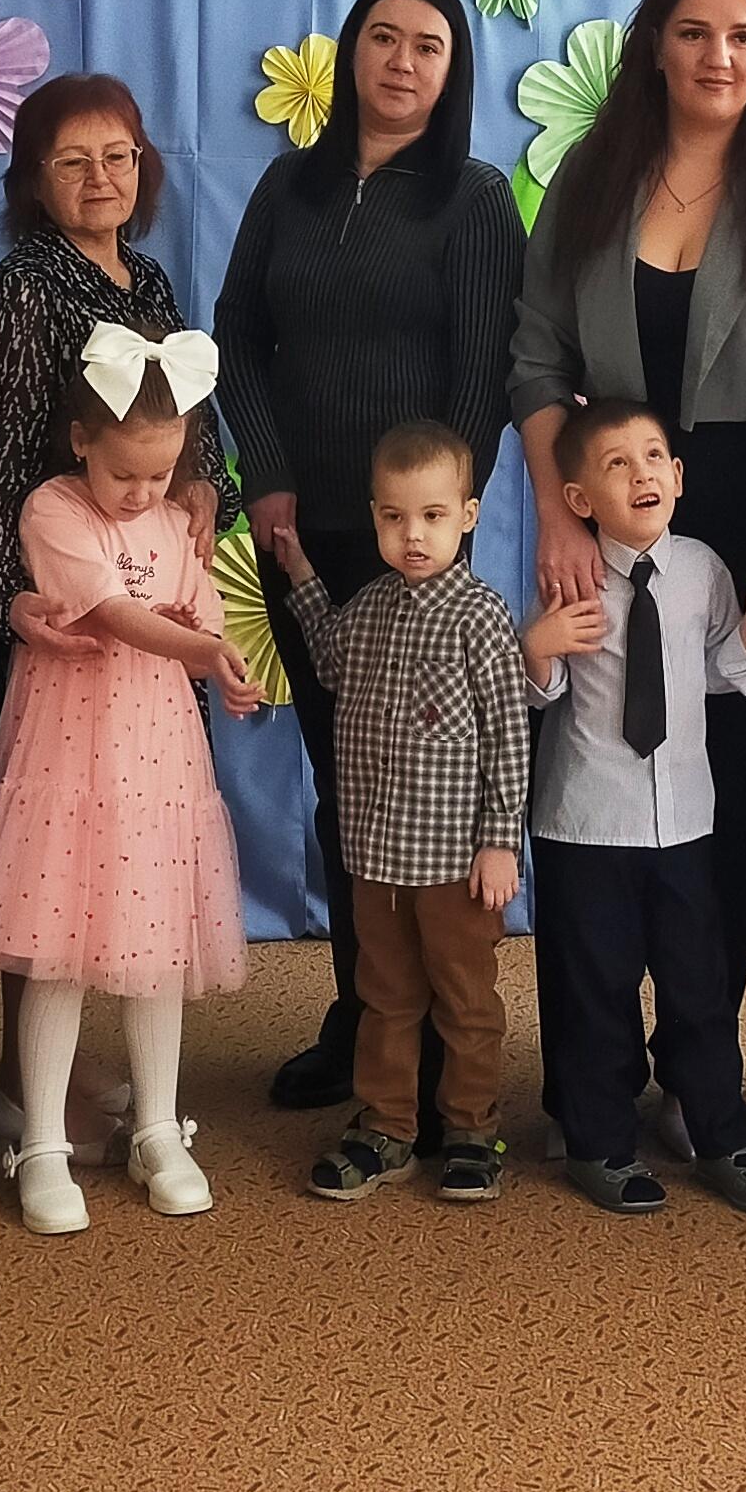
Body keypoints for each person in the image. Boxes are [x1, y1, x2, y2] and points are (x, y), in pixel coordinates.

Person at [510, 0, 746, 1049]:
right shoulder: (590, 176)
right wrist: (557, 515)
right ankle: (595, 1057)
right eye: (696, 32)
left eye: (744, 37)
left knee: (730, 773)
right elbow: (535, 358)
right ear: (655, 44)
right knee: (587, 758)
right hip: (599, 503)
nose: (719, 56)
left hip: (743, 504)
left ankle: (700, 1047)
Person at [215, 0, 524, 1118]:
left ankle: (441, 1030)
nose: (401, 61)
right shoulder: (287, 185)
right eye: (383, 38)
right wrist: (266, 478)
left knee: (424, 797)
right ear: (351, 53)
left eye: (427, 46)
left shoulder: (474, 200)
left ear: (452, 71)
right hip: (303, 536)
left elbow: (481, 378)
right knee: (345, 788)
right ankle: (363, 1014)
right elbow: (235, 333)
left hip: (416, 555)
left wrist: (433, 521)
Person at [0, 74, 224, 1152]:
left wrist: (205, 491)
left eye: (116, 156)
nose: (99, 178)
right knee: (50, 858)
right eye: (72, 161)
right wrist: (7, 601)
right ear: (35, 179)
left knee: (131, 844)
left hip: (148, 607)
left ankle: (95, 1073)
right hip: (58, 611)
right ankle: (24, 1088)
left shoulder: (148, 277)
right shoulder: (24, 286)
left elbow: (184, 431)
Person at [0, 332, 258, 1236]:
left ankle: (159, 1128)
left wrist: (220, 658)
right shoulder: (53, 508)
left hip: (159, 756)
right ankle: (43, 1140)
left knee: (156, 941)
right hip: (70, 752)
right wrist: (200, 647)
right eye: (125, 472)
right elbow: (117, 612)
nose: (141, 493)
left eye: (161, 475)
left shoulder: (177, 524)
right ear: (81, 440)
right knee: (56, 946)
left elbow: (202, 619)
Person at [523, 401, 746, 1218]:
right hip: (587, 821)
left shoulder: (702, 569)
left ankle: (723, 1136)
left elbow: (719, 673)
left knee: (698, 988)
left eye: (652, 458)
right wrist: (537, 650)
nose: (640, 474)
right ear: (578, 499)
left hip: (683, 820)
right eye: (617, 464)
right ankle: (600, 1141)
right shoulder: (571, 575)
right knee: (595, 990)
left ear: (677, 476)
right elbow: (545, 693)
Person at [273, 420, 533, 1207]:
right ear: (375, 517)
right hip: (376, 860)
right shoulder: (369, 608)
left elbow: (509, 735)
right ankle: (386, 1126)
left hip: (455, 864)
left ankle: (471, 1130)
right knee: (384, 998)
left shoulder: (480, 616)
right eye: (394, 517)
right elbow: (327, 657)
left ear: (468, 516)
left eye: (431, 516)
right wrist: (300, 571)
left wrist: (500, 842)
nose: (412, 534)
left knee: (465, 1002)